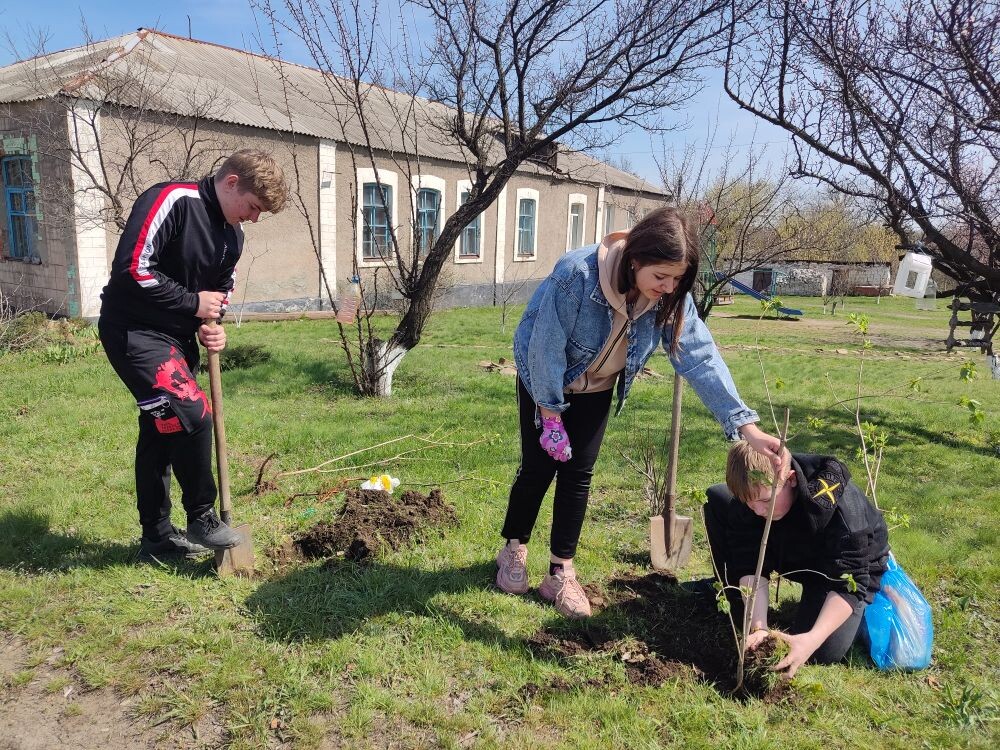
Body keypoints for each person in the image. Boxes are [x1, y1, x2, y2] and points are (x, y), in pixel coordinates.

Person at [496, 206, 782, 618]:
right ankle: (513, 550)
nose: (668, 287)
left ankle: (560, 572)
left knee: (579, 471)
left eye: (678, 279)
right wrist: (551, 413)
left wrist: (746, 427)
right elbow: (544, 348)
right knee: (539, 466)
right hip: (545, 376)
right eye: (660, 277)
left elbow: (699, 357)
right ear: (634, 262)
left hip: (597, 386)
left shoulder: (669, 300)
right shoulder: (576, 276)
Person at [98, 149, 288, 561]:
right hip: (134, 331)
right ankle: (201, 516)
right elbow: (132, 269)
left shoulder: (233, 236)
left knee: (162, 432)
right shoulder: (173, 200)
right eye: (253, 207)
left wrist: (211, 324)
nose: (254, 219)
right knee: (192, 412)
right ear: (232, 182)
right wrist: (192, 304)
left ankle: (157, 537)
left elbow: (219, 294)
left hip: (177, 341)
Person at [703, 441, 890, 677]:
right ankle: (734, 599)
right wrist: (759, 627)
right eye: (749, 503)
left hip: (836, 570)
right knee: (718, 498)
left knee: (822, 652)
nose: (758, 511)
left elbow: (849, 583)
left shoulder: (844, 513)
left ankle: (849, 614)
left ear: (790, 479)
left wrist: (811, 640)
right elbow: (748, 558)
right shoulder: (753, 501)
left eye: (765, 501)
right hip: (790, 549)